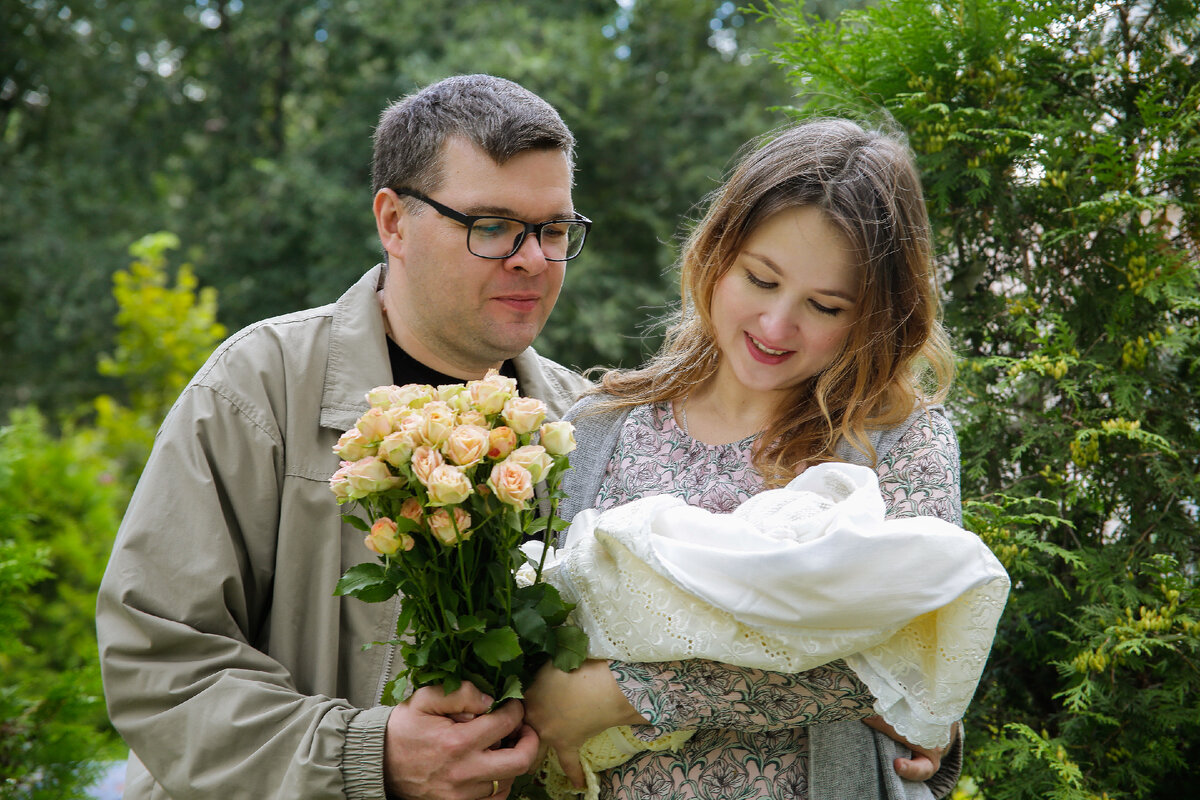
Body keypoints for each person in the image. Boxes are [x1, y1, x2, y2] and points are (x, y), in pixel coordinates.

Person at [96, 74, 593, 800]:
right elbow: (161, 664)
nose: (533, 260)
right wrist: (366, 756)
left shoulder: (587, 425)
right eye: (491, 227)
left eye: (553, 230)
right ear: (393, 221)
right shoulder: (257, 387)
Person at [522, 118, 970, 800]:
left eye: (825, 305)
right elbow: (534, 637)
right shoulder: (597, 428)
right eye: (760, 280)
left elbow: (897, 662)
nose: (775, 326)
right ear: (717, 253)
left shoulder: (899, 442)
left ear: (878, 315)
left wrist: (626, 692)